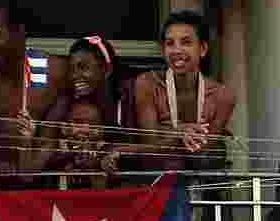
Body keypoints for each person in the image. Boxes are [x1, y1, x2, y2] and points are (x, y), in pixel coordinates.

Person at [0, 0, 66, 178]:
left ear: (19, 32)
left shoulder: (53, 72)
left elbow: (49, 140)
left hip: (36, 184)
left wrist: (27, 168)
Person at [133, 10, 236, 171]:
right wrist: (180, 134)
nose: (176, 50)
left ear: (202, 49)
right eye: (169, 43)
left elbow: (204, 151)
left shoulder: (222, 95)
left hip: (202, 184)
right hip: (156, 182)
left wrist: (168, 133)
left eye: (186, 42)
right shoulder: (147, 84)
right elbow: (150, 146)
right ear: (162, 50)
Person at [32, 35, 130, 177]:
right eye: (71, 69)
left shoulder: (125, 98)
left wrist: (105, 153)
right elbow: (42, 150)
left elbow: (147, 150)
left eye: (82, 67)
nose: (74, 76)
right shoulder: (66, 102)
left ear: (106, 69)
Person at [38, 100, 117, 189]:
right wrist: (26, 141)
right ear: (64, 127)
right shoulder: (55, 146)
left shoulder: (104, 148)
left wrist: (102, 163)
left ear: (101, 130)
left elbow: (112, 161)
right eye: (78, 122)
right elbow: (27, 175)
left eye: (93, 124)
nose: (85, 129)